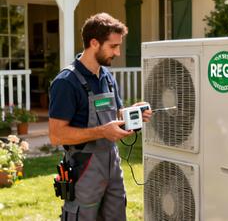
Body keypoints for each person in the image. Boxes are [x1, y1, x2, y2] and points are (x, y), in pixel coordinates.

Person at [48, 13, 153, 220]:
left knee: (116, 214)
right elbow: (56, 135)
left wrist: (132, 112)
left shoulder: (107, 77)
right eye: (113, 46)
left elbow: (114, 114)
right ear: (94, 43)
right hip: (84, 167)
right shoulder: (66, 82)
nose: (118, 52)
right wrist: (103, 132)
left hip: (112, 163)